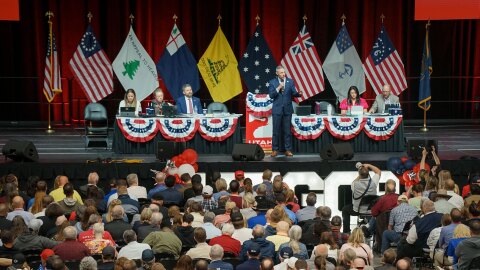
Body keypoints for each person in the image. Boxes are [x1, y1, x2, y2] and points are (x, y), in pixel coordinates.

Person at [268, 66, 302, 157]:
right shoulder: (272, 82)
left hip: (287, 109)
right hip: (277, 110)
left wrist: (299, 94)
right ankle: (275, 150)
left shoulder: (290, 81)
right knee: (276, 131)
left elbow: (294, 93)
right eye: (281, 73)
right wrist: (278, 87)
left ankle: (288, 149)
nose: (283, 74)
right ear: (277, 73)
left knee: (287, 131)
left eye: (284, 72)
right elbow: (271, 95)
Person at [341, 163, 381, 233]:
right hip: (371, 211)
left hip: (358, 211)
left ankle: (346, 232)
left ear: (359, 174)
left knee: (345, 209)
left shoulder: (354, 184)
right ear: (368, 173)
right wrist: (368, 165)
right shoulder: (374, 182)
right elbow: (378, 171)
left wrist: (360, 170)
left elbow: (356, 179)